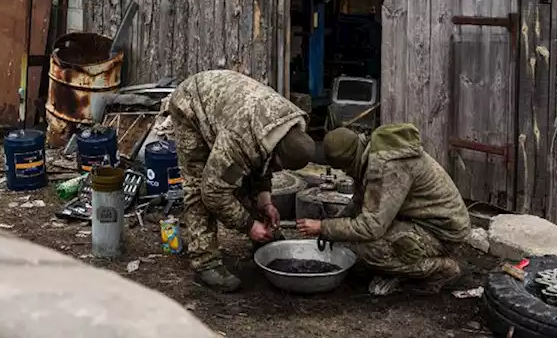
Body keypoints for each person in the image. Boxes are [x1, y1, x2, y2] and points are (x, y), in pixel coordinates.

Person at [166, 70, 315, 292]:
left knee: (242, 171)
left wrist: (266, 202)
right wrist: (248, 224)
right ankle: (205, 261)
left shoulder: (286, 125)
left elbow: (263, 164)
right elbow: (213, 192)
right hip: (191, 106)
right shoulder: (241, 139)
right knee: (199, 185)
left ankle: (263, 238)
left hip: (228, 109)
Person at [296, 124, 470, 296]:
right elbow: (361, 201)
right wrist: (333, 226)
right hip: (424, 220)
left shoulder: (387, 167)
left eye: (344, 168)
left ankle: (441, 269)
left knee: (370, 249)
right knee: (357, 238)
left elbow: (371, 227)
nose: (345, 173)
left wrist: (323, 227)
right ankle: (406, 261)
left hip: (442, 232)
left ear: (349, 162)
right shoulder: (370, 152)